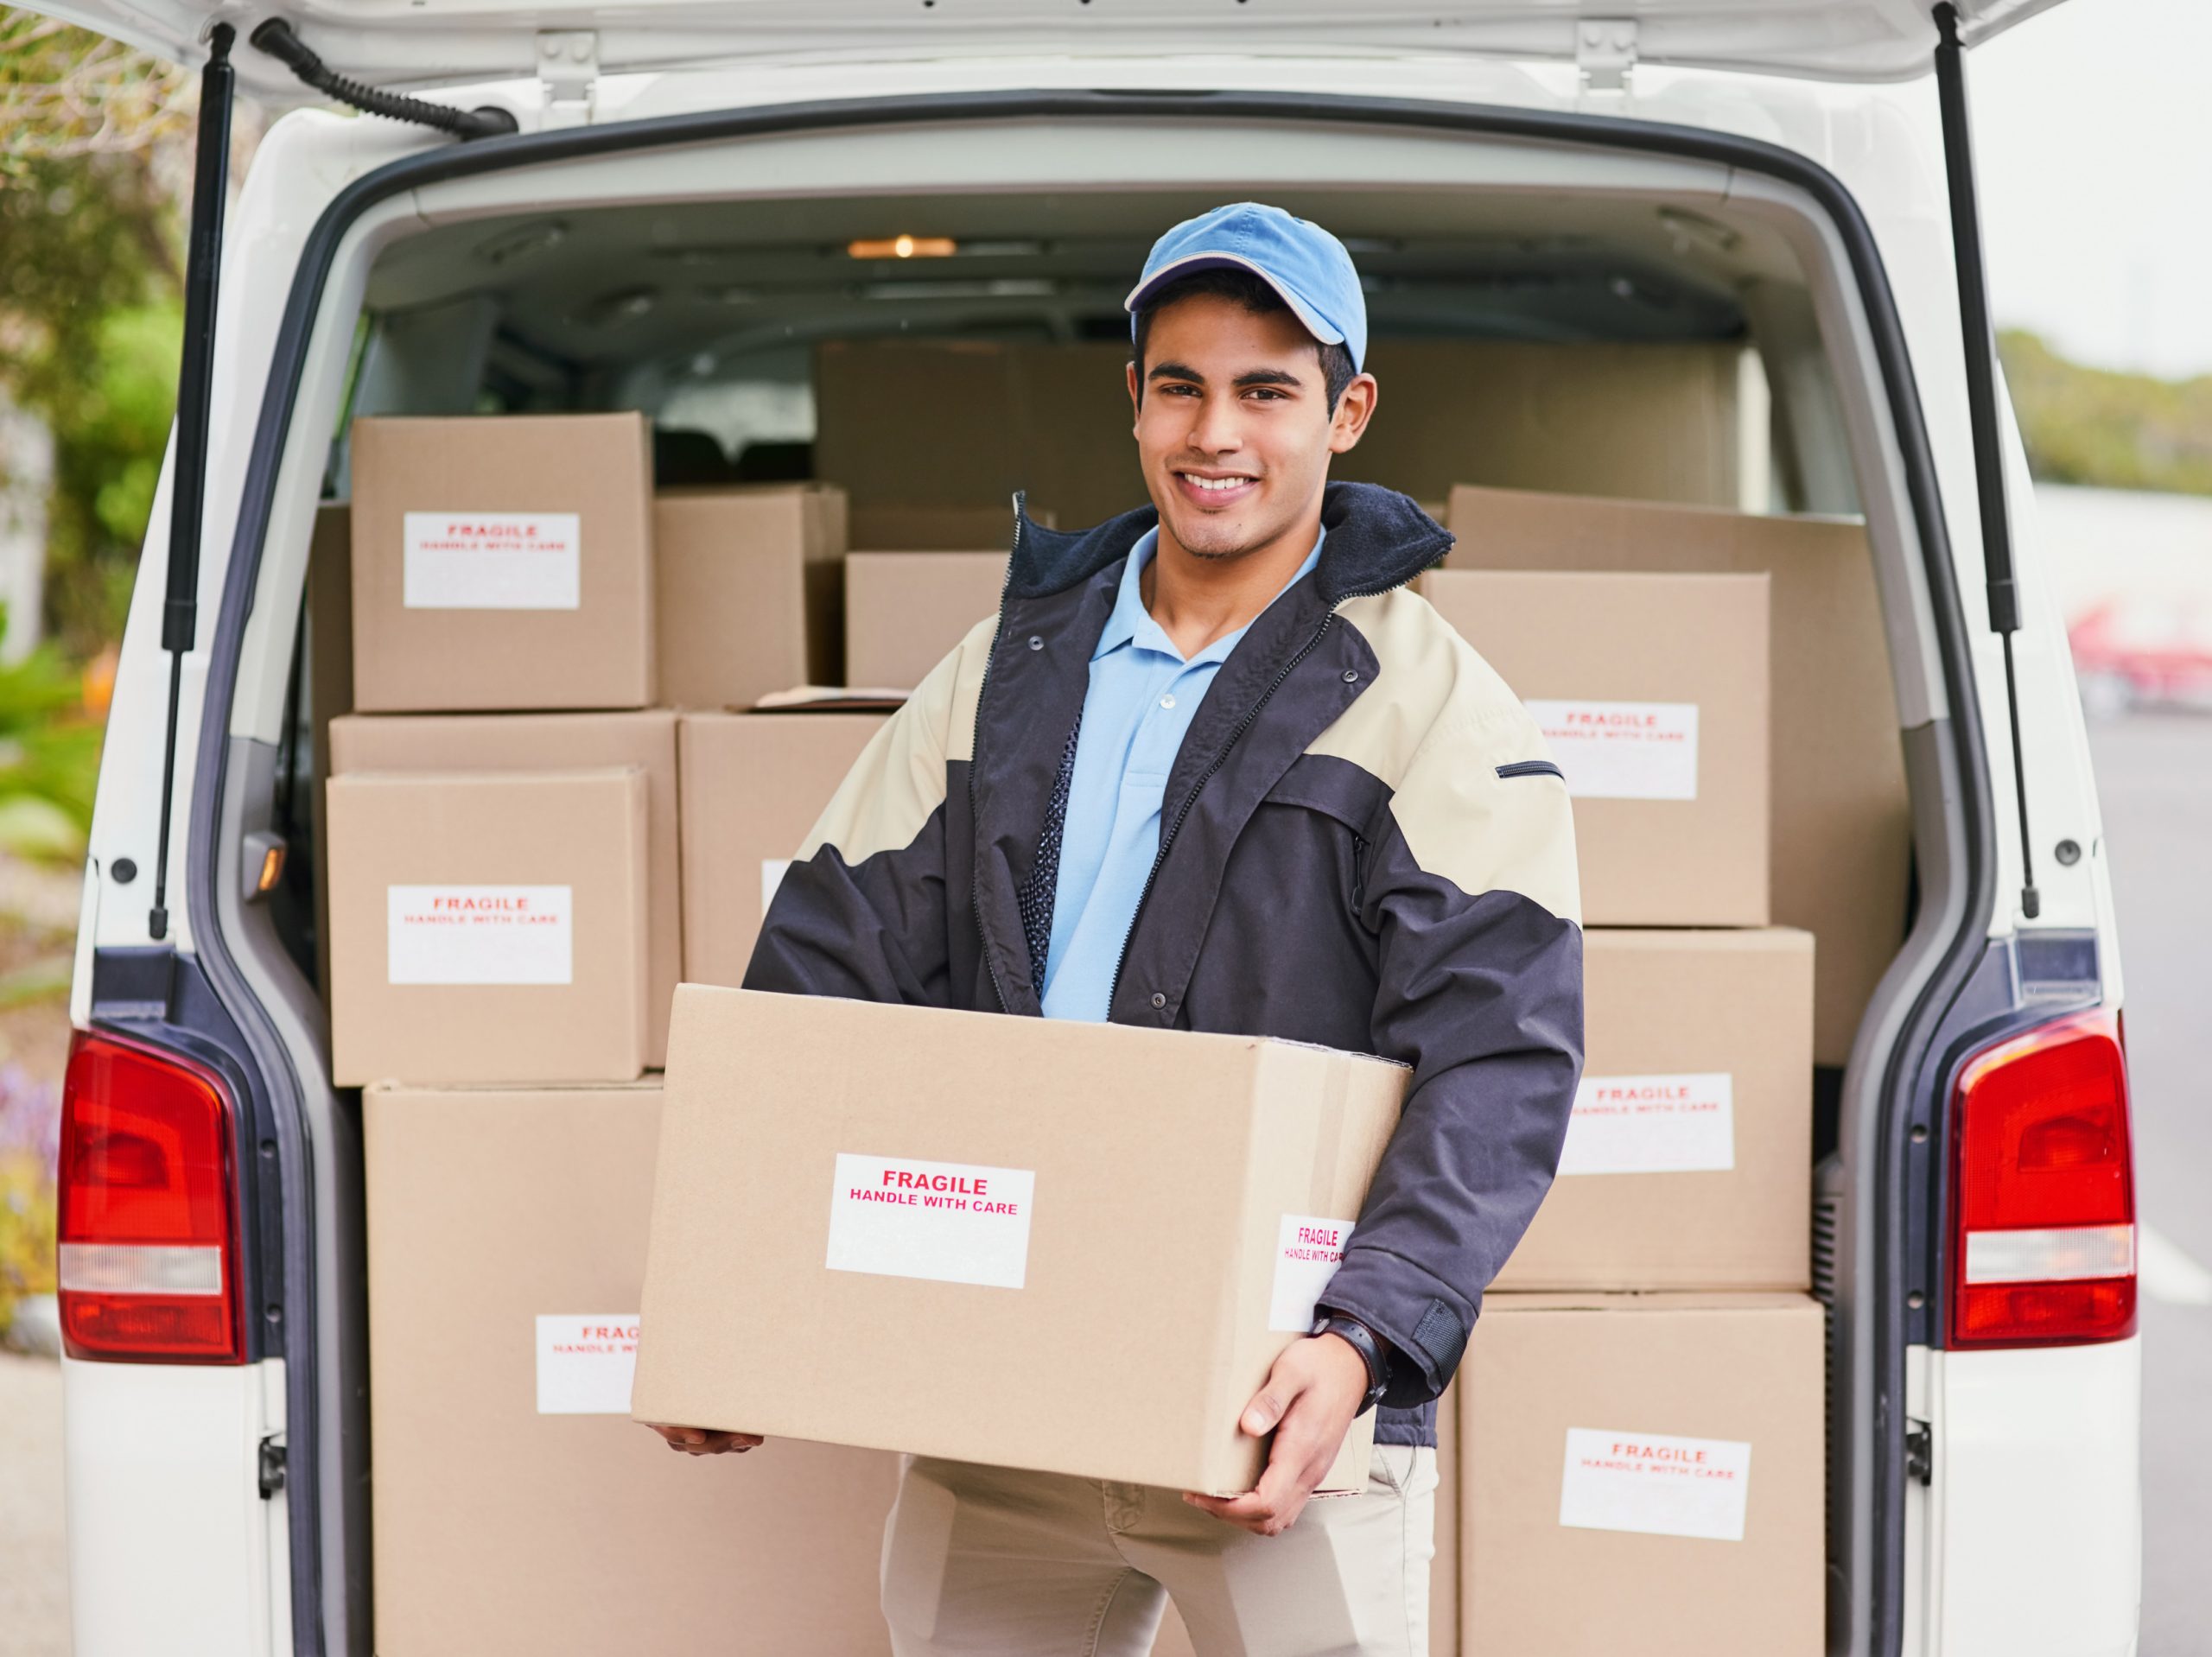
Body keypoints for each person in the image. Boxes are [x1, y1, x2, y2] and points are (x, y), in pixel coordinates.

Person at [649, 202, 1585, 1656]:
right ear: (1134, 401)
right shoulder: (1007, 668)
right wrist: (738, 1295)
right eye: (1182, 384)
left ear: (1347, 412)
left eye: (1268, 390)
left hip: (1275, 1396)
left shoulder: (1433, 704)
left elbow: (1501, 1058)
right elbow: (825, 967)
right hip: (1003, 1384)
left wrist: (1362, 1341)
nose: (1219, 431)